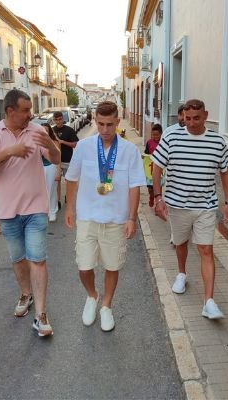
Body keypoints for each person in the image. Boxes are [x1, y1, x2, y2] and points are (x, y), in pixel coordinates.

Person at [0, 89, 60, 337]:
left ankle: (41, 315)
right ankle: (26, 294)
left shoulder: (37, 130)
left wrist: (52, 146)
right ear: (10, 110)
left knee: (38, 258)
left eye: (30, 110)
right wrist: (8, 152)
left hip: (36, 208)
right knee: (18, 258)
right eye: (25, 110)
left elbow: (55, 159)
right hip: (7, 210)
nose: (30, 114)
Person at [64, 101, 146, 331]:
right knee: (84, 265)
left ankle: (107, 306)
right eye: (100, 124)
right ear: (94, 120)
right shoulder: (84, 147)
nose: (105, 129)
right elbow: (71, 178)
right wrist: (69, 209)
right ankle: (92, 296)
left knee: (112, 266)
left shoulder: (129, 151)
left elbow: (134, 186)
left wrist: (131, 218)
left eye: (110, 124)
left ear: (118, 122)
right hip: (87, 216)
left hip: (116, 219)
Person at [151, 99, 228, 319]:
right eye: (187, 119)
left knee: (206, 250)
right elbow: (157, 166)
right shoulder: (171, 136)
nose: (191, 123)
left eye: (196, 118)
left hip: (205, 206)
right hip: (177, 205)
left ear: (205, 115)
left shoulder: (217, 141)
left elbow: (226, 171)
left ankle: (209, 301)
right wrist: (158, 198)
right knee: (180, 244)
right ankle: (181, 273)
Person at [54, 110, 79, 206]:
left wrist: (63, 142)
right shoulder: (52, 131)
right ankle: (57, 201)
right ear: (54, 120)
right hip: (56, 162)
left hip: (67, 160)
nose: (58, 121)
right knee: (57, 182)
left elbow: (76, 144)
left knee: (68, 180)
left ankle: (67, 197)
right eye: (56, 120)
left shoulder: (69, 130)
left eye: (60, 119)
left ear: (62, 119)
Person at [144, 123, 163, 207]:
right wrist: (143, 157)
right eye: (153, 135)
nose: (155, 137)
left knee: (158, 186)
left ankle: (158, 203)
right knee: (150, 188)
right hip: (150, 169)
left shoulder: (163, 143)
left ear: (161, 134)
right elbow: (146, 153)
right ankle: (151, 197)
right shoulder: (149, 142)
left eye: (157, 135)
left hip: (160, 168)